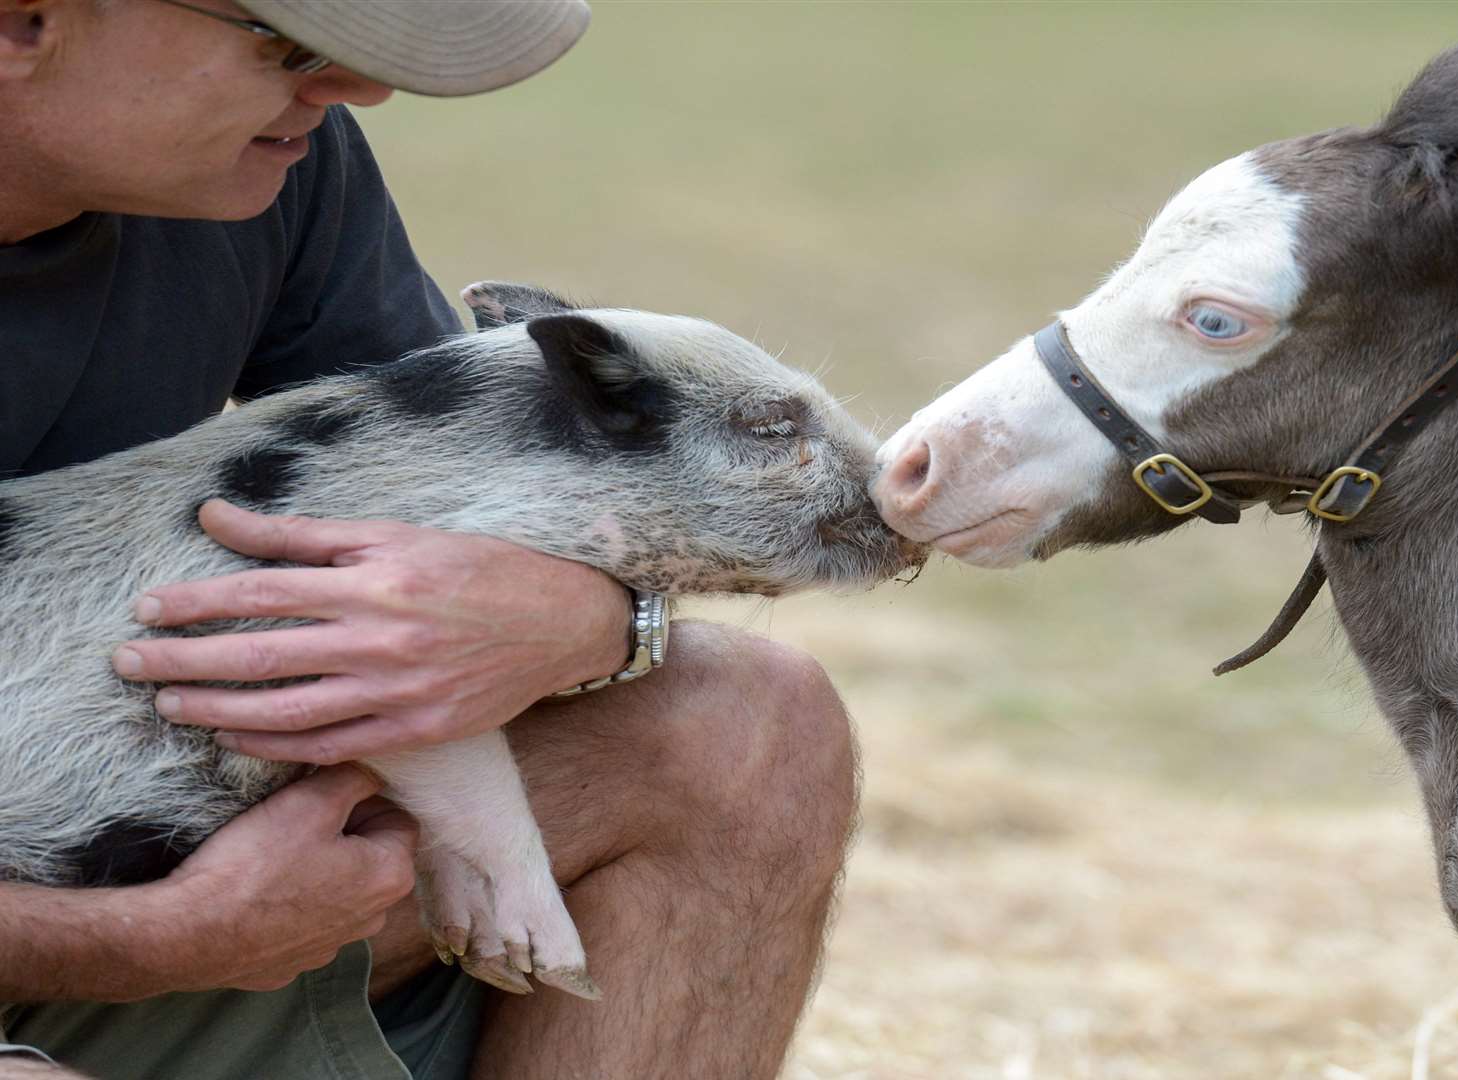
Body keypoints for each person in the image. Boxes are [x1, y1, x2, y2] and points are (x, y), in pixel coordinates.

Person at [0, 1, 858, 1077]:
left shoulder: (274, 162)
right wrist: (157, 941)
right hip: (103, 914)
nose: (356, 89)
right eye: (288, 43)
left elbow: (476, 517)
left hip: (136, 845)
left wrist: (589, 619)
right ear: (25, 21)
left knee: (745, 725)